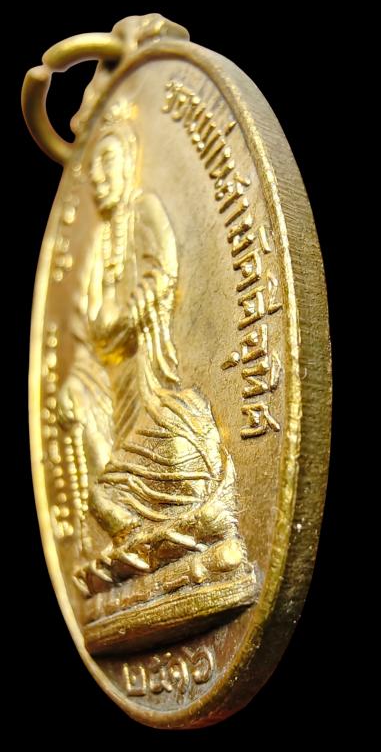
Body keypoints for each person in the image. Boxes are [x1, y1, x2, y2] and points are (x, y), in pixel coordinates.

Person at [57, 99, 241, 597]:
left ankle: (180, 528)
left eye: (107, 163)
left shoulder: (145, 211)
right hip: (112, 384)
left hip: (147, 372)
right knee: (99, 483)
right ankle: (141, 539)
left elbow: (162, 275)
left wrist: (123, 318)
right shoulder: (97, 247)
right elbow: (89, 328)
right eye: (94, 170)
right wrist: (104, 335)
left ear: (127, 163)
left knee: (179, 452)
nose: (99, 179)